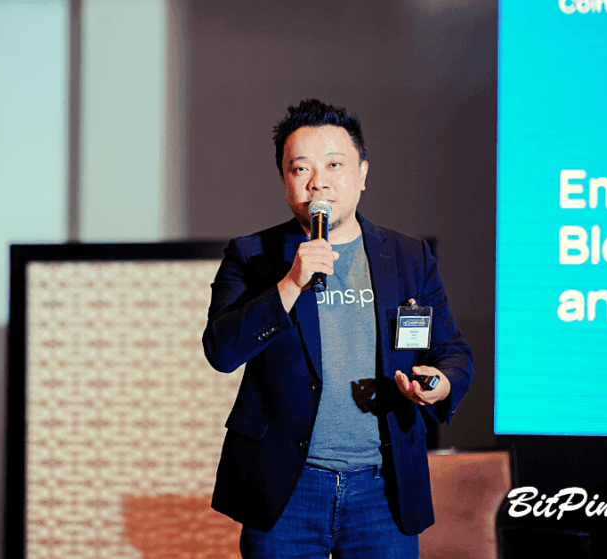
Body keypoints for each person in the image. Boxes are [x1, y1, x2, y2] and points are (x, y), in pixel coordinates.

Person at [202, 99, 473, 558]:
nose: (318, 181)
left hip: (382, 488)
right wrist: (290, 283)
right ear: (285, 183)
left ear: (362, 174)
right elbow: (222, 350)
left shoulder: (408, 256)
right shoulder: (252, 255)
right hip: (286, 488)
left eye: (334, 164)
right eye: (300, 168)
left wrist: (440, 382)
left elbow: (450, 350)